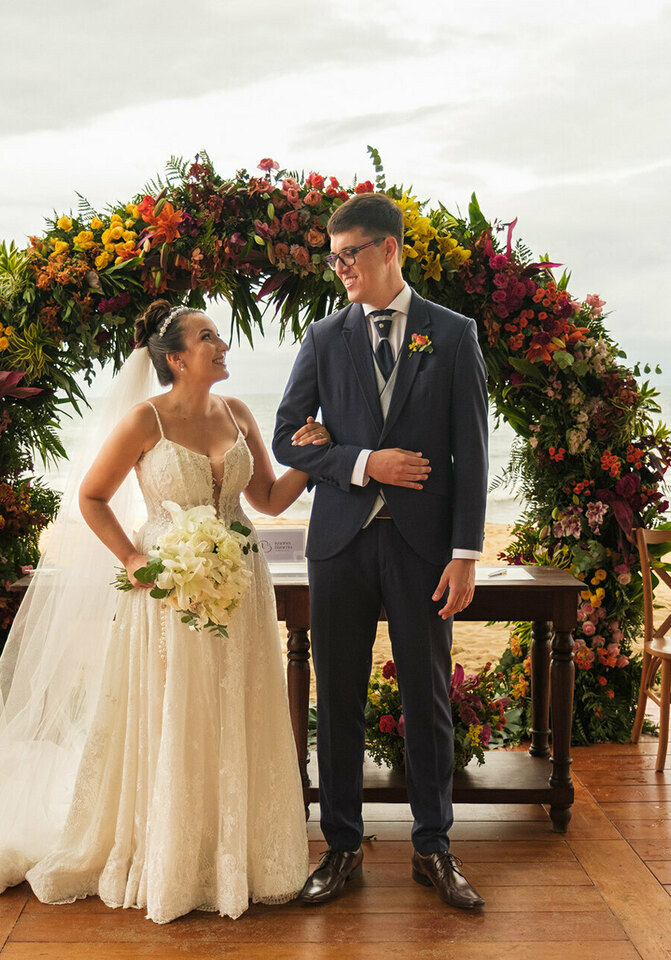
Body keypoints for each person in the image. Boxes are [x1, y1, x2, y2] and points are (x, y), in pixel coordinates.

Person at [0, 300, 329, 924]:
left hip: (242, 586)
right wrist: (131, 561)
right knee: (178, 707)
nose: (222, 345)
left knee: (239, 704)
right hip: (169, 588)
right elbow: (93, 498)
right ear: (176, 358)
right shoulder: (144, 421)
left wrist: (313, 457)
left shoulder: (240, 413)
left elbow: (270, 499)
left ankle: (242, 854)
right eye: (207, 338)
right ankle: (171, 854)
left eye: (219, 336)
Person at [272, 191, 490, 910]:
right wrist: (366, 462)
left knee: (426, 697)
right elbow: (285, 439)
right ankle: (341, 848)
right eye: (332, 259)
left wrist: (465, 552)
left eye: (349, 255)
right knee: (336, 696)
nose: (339, 269)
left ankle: (434, 848)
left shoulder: (453, 336)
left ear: (388, 249)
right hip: (338, 543)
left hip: (425, 548)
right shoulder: (322, 337)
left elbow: (471, 453)